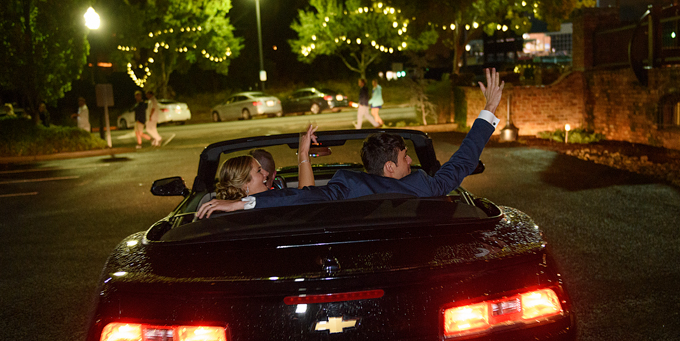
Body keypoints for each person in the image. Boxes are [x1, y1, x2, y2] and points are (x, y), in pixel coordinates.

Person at [197, 68, 503, 219]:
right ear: (389, 166)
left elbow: (304, 198)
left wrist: (243, 202)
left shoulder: (348, 186)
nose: (411, 162)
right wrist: (487, 111)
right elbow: (461, 163)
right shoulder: (425, 186)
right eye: (405, 156)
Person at [208, 124, 318, 208]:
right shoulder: (269, 203)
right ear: (245, 184)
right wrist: (303, 152)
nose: (266, 173)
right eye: (259, 171)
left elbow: (305, 192)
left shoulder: (218, 211)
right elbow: (306, 195)